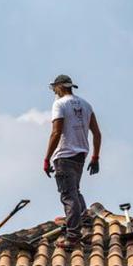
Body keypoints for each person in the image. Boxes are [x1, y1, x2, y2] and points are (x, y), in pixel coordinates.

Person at [42, 74, 102, 249]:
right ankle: (85, 227)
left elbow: (56, 132)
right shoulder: (86, 105)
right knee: (74, 191)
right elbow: (97, 134)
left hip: (64, 155)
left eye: (54, 89)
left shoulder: (59, 104)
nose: (54, 92)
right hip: (80, 155)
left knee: (68, 196)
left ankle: (73, 236)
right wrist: (95, 157)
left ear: (60, 87)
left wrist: (46, 158)